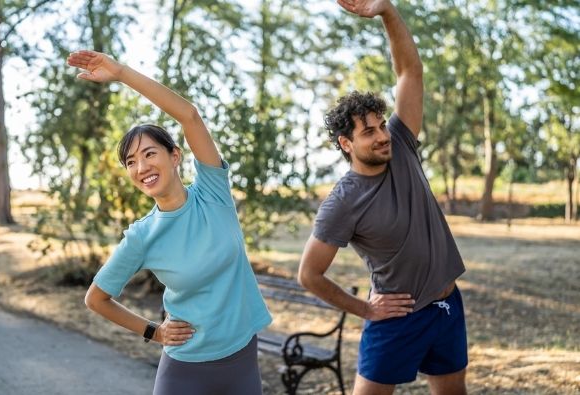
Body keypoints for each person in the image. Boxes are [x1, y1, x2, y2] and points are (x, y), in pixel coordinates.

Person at [68, 50, 272, 395]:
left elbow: (189, 116)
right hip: (184, 369)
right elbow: (96, 298)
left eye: (150, 154)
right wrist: (153, 331)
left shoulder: (213, 193)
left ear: (175, 156)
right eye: (131, 162)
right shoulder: (142, 236)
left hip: (241, 357)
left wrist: (120, 73)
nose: (141, 167)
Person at [298, 1, 468, 394]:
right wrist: (365, 310)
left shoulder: (402, 144)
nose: (381, 136)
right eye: (368, 132)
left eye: (380, 125)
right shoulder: (342, 201)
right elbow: (309, 273)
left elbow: (410, 71)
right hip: (398, 318)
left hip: (447, 305)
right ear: (346, 143)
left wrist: (387, 12)